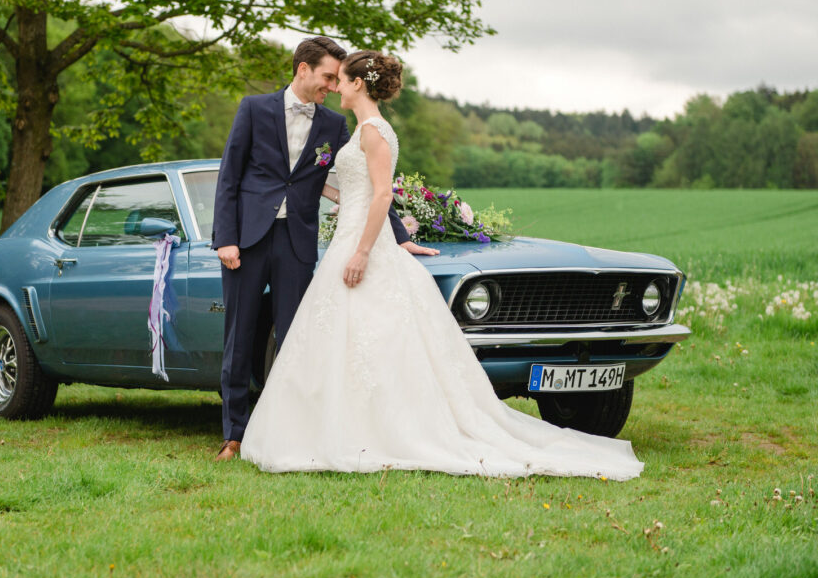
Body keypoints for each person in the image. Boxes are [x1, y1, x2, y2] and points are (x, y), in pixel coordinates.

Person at [240, 51, 644, 479]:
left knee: (368, 337)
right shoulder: (364, 130)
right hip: (353, 237)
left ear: (359, 83)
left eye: (340, 79)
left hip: (361, 246)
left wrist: (361, 252)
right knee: (347, 337)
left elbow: (381, 196)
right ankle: (345, 427)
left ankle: (376, 432)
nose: (335, 87)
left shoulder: (374, 132)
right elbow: (358, 192)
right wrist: (333, 200)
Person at [212, 37, 438, 461]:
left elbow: (363, 187)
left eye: (338, 79)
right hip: (246, 240)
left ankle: (285, 431)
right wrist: (225, 238)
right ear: (302, 69)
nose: (332, 86)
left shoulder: (335, 126)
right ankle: (234, 435)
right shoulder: (253, 109)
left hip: (297, 243)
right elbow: (229, 175)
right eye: (327, 77)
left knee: (296, 339)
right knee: (239, 338)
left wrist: (400, 236)